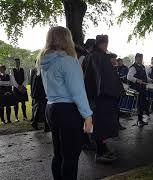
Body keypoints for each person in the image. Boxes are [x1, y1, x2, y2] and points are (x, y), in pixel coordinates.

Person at [38, 26, 93, 180]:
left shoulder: (45, 61)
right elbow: (78, 92)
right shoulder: (68, 61)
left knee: (59, 154)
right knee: (71, 157)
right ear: (67, 39)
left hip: (52, 108)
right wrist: (88, 116)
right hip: (67, 110)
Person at [83, 35, 125, 163]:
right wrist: (115, 91)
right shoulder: (98, 56)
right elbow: (102, 78)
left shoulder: (94, 55)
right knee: (100, 126)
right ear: (102, 43)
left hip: (98, 97)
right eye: (105, 43)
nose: (107, 45)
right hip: (101, 97)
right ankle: (100, 153)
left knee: (101, 126)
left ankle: (103, 149)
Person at [127, 53, 152, 127]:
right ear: (136, 58)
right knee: (139, 105)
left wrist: (151, 80)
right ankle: (139, 121)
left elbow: (146, 77)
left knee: (144, 104)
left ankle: (141, 120)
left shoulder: (143, 67)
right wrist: (137, 80)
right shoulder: (133, 67)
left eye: (141, 58)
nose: (141, 60)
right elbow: (129, 77)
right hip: (137, 89)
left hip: (143, 88)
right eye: (139, 58)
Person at [30, 64, 49, 132]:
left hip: (38, 92)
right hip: (41, 92)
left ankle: (37, 123)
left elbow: (32, 82)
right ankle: (43, 125)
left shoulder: (34, 70)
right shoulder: (40, 69)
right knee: (41, 108)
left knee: (40, 108)